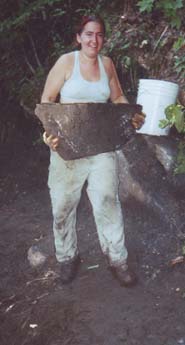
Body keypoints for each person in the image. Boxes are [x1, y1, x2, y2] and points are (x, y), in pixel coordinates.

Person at [41, 14, 144, 287]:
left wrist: (131, 113)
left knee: (108, 202)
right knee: (63, 206)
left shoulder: (107, 64)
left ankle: (117, 259)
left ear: (103, 39)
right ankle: (67, 258)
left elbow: (117, 97)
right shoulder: (66, 62)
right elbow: (47, 101)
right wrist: (49, 135)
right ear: (79, 37)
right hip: (68, 148)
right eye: (88, 34)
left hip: (101, 146)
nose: (94, 40)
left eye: (99, 35)